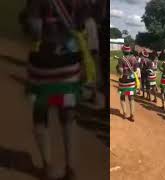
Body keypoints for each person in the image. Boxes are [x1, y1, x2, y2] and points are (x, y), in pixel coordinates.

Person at [25, 0, 85, 179]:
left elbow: (35, 30)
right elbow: (84, 23)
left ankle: (48, 167)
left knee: (40, 111)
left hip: (44, 64)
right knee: (67, 113)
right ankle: (70, 168)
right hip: (70, 62)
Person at [117, 45, 138, 121]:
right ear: (129, 51)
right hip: (131, 80)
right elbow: (135, 70)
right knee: (131, 97)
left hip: (123, 80)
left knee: (122, 96)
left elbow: (120, 70)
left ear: (123, 51)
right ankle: (132, 115)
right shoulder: (134, 58)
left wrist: (118, 70)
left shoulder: (121, 59)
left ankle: (125, 114)